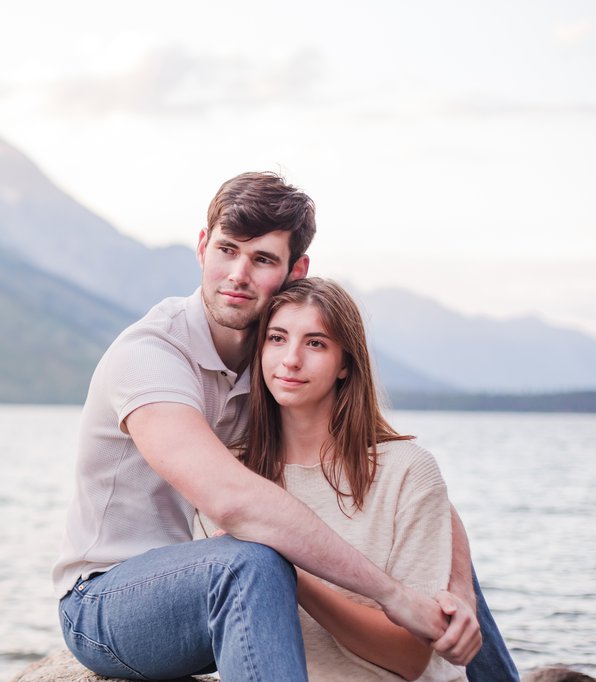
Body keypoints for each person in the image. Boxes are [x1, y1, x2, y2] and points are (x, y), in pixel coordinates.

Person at [53, 172, 516, 680]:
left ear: (296, 270)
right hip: (109, 600)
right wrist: (392, 596)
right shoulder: (151, 357)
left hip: (221, 587)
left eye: (263, 259)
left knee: (430, 552)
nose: (237, 274)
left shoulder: (276, 357)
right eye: (227, 250)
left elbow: (420, 492)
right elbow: (232, 502)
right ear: (203, 246)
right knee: (253, 560)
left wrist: (458, 593)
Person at [196, 278, 467, 680]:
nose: (291, 359)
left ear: (345, 364)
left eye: (315, 343)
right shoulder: (229, 475)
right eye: (277, 338)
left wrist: (284, 567)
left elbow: (410, 657)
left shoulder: (406, 470)